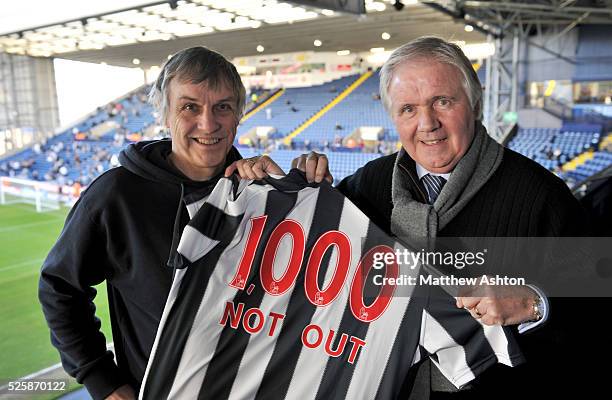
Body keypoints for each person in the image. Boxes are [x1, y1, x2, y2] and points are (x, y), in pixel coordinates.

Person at [292, 37, 595, 397]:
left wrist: (534, 303)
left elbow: (595, 291)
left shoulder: (541, 195)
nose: (427, 123)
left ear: (474, 102)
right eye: (408, 109)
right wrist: (291, 187)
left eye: (443, 101)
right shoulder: (366, 186)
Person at [38, 47, 281, 400]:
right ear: (165, 114)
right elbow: (59, 288)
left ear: (239, 116)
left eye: (223, 107)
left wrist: (307, 189)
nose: (208, 124)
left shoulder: (261, 194)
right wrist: (103, 381)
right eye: (190, 107)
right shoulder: (117, 195)